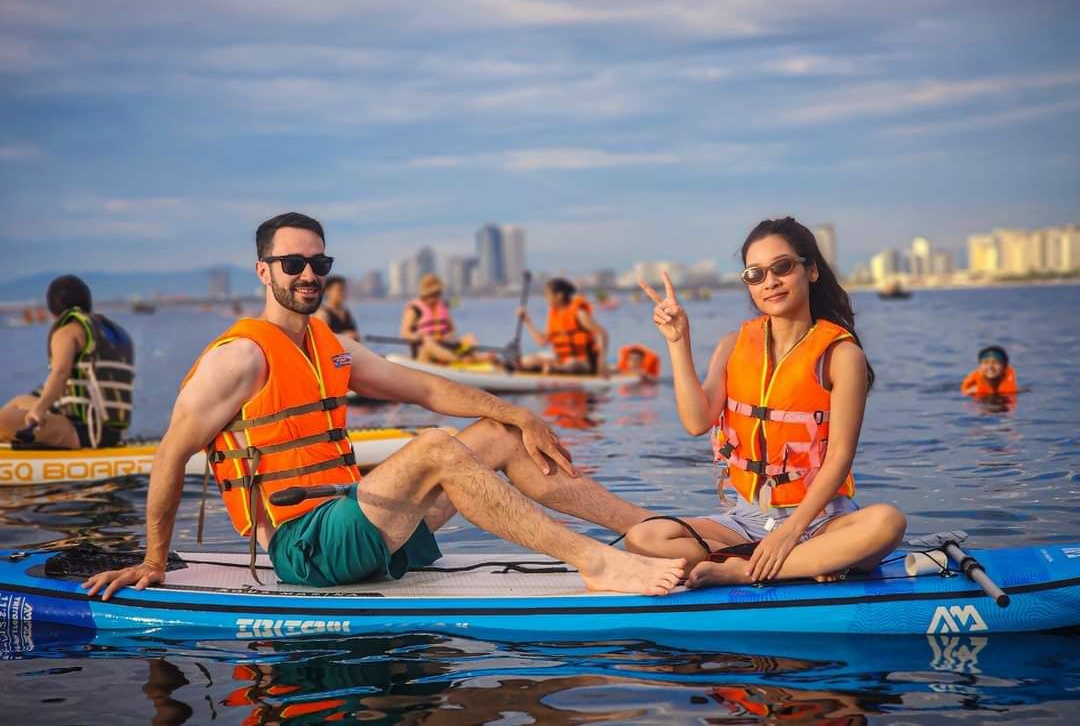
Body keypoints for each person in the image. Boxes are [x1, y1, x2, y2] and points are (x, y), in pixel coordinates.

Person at [84, 212, 685, 599]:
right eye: (293, 264)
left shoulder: (329, 347)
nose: (308, 274)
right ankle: (595, 563)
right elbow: (168, 455)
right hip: (304, 546)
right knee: (432, 447)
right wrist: (153, 561)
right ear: (264, 271)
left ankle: (647, 530)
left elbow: (423, 388)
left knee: (499, 435)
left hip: (354, 518)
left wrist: (518, 413)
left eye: (318, 264)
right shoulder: (239, 358)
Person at [623, 216, 906, 588]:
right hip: (746, 522)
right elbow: (696, 422)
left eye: (782, 267)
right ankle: (804, 565)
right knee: (643, 538)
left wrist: (790, 534)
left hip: (821, 521)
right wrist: (678, 341)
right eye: (754, 274)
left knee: (887, 523)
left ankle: (744, 569)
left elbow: (839, 458)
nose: (769, 281)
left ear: (812, 271)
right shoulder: (733, 345)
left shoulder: (841, 355)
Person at [0, 275, 135, 449]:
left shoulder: (67, 332)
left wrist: (39, 410)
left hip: (84, 432)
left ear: (52, 309)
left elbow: (61, 373)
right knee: (20, 401)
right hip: (108, 430)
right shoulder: (107, 331)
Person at [517, 278, 609, 376]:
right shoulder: (554, 315)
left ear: (559, 296)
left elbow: (602, 333)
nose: (546, 299)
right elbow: (542, 341)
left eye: (548, 295)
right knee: (527, 360)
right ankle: (548, 369)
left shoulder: (579, 314)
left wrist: (601, 363)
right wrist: (527, 321)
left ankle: (553, 370)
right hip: (561, 360)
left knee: (572, 363)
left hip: (584, 363)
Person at [399, 274, 490, 365]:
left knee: (470, 337)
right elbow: (404, 333)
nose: (437, 297)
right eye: (434, 294)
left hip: (445, 345)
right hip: (425, 349)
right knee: (428, 343)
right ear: (426, 294)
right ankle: (458, 359)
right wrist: (419, 336)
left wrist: (449, 336)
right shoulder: (414, 309)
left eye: (439, 293)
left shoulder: (442, 306)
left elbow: (452, 329)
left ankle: (478, 357)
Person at [315, 275, 360, 340]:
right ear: (328, 291)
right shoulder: (322, 314)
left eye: (345, 289)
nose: (343, 293)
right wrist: (343, 337)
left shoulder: (346, 312)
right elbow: (319, 339)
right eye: (340, 290)